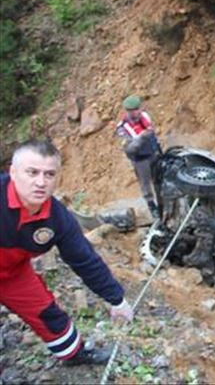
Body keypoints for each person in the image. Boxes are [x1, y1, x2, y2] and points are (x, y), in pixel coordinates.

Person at [0, 139, 134, 366]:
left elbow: (84, 260)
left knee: (47, 313)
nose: (40, 182)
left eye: (49, 174)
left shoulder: (58, 219)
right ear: (13, 172)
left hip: (13, 273)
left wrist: (116, 299)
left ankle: (73, 354)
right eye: (32, 172)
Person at [115, 95, 161, 219]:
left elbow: (151, 130)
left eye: (138, 108)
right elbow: (129, 147)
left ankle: (163, 202)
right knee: (145, 183)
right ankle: (152, 206)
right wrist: (141, 138)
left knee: (159, 178)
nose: (137, 112)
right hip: (140, 159)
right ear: (128, 111)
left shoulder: (145, 116)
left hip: (153, 152)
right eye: (134, 110)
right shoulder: (123, 128)